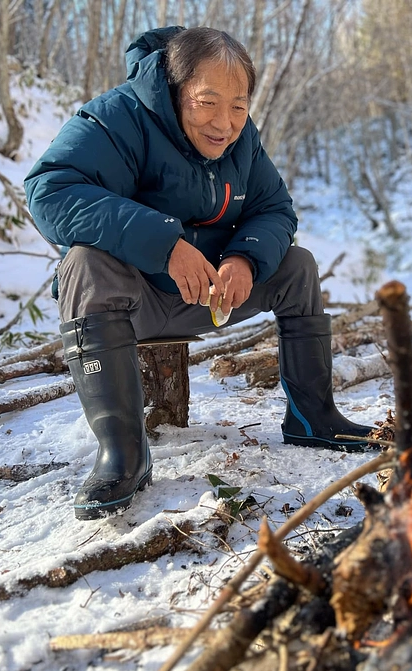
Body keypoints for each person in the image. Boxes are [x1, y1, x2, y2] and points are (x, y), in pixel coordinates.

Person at [24, 26, 373, 521]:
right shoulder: (117, 117)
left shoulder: (241, 137)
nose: (225, 124)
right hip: (131, 302)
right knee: (83, 264)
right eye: (207, 102)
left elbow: (276, 209)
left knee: (297, 265)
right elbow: (48, 192)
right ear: (174, 87)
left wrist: (244, 258)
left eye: (239, 105)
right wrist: (164, 244)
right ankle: (123, 454)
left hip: (212, 297)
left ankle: (312, 418)